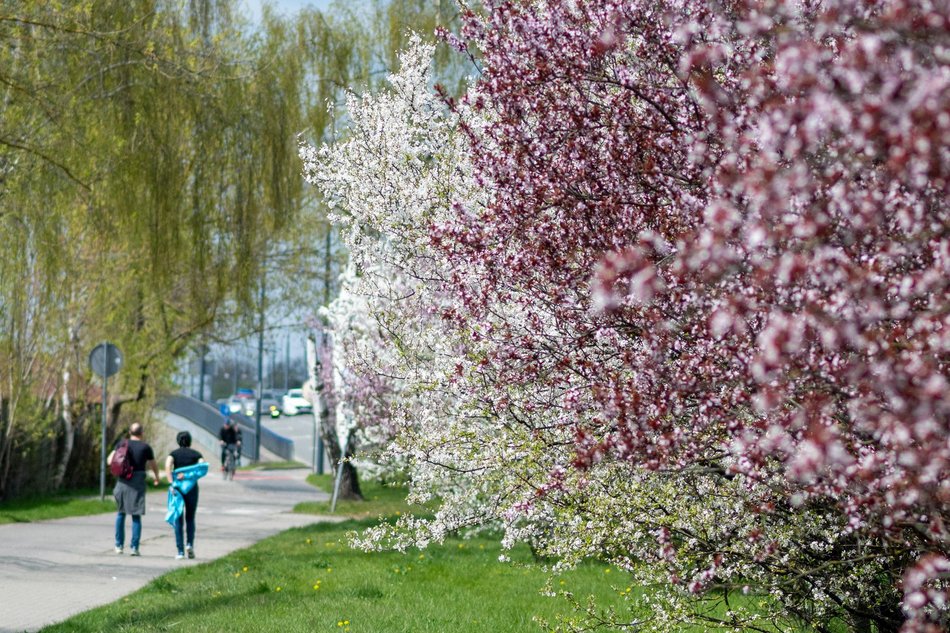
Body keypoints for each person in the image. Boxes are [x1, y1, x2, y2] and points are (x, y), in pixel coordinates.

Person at [107, 422, 160, 556]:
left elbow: (109, 460)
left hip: (123, 480)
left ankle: (119, 545)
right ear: (142, 433)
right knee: (136, 515)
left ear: (129, 432)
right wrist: (156, 477)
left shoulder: (122, 443)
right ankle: (134, 548)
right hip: (137, 481)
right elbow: (153, 464)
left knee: (121, 513)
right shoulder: (146, 447)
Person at [164, 431, 205, 560]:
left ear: (178, 441)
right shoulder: (196, 454)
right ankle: (189, 545)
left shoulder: (173, 454)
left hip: (177, 489)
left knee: (178, 519)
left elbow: (167, 465)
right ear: (190, 441)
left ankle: (180, 551)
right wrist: (189, 475)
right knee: (190, 518)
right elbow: (202, 467)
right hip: (192, 488)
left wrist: (171, 482)